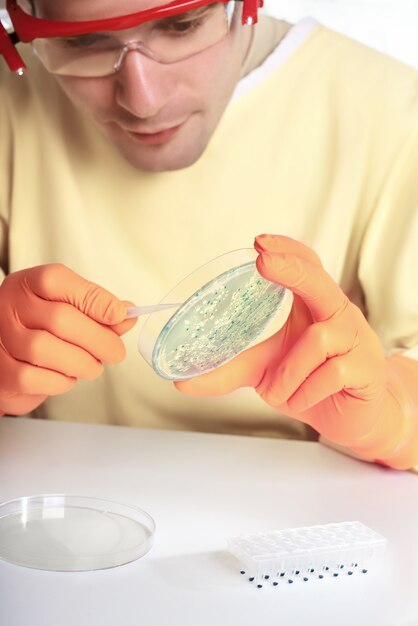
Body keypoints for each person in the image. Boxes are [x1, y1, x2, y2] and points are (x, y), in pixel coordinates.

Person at [0, 0, 417, 470]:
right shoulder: (9, 103)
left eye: (182, 25)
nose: (143, 100)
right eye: (83, 41)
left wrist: (394, 414)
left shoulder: (397, 117)